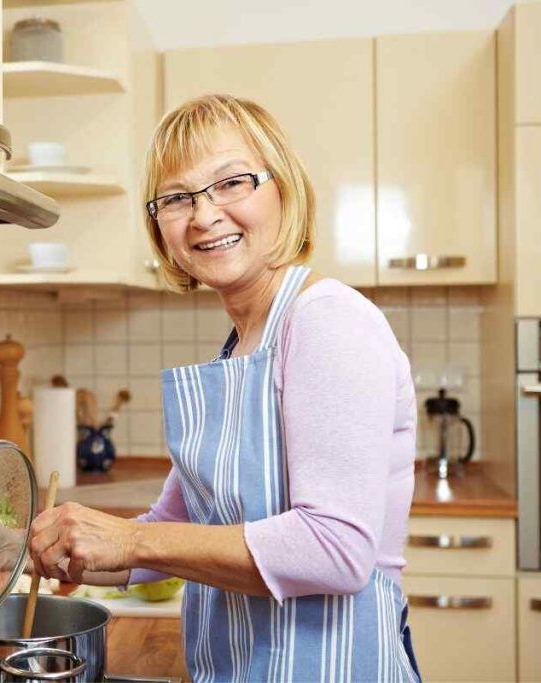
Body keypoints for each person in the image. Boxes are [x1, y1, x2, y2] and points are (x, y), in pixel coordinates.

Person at [26, 94, 421, 681]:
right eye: (177, 198)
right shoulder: (241, 348)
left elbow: (336, 550)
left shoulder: (327, 321)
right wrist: (12, 548)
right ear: (159, 226)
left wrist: (131, 543)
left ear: (283, 189)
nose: (205, 215)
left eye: (232, 182)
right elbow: (164, 530)